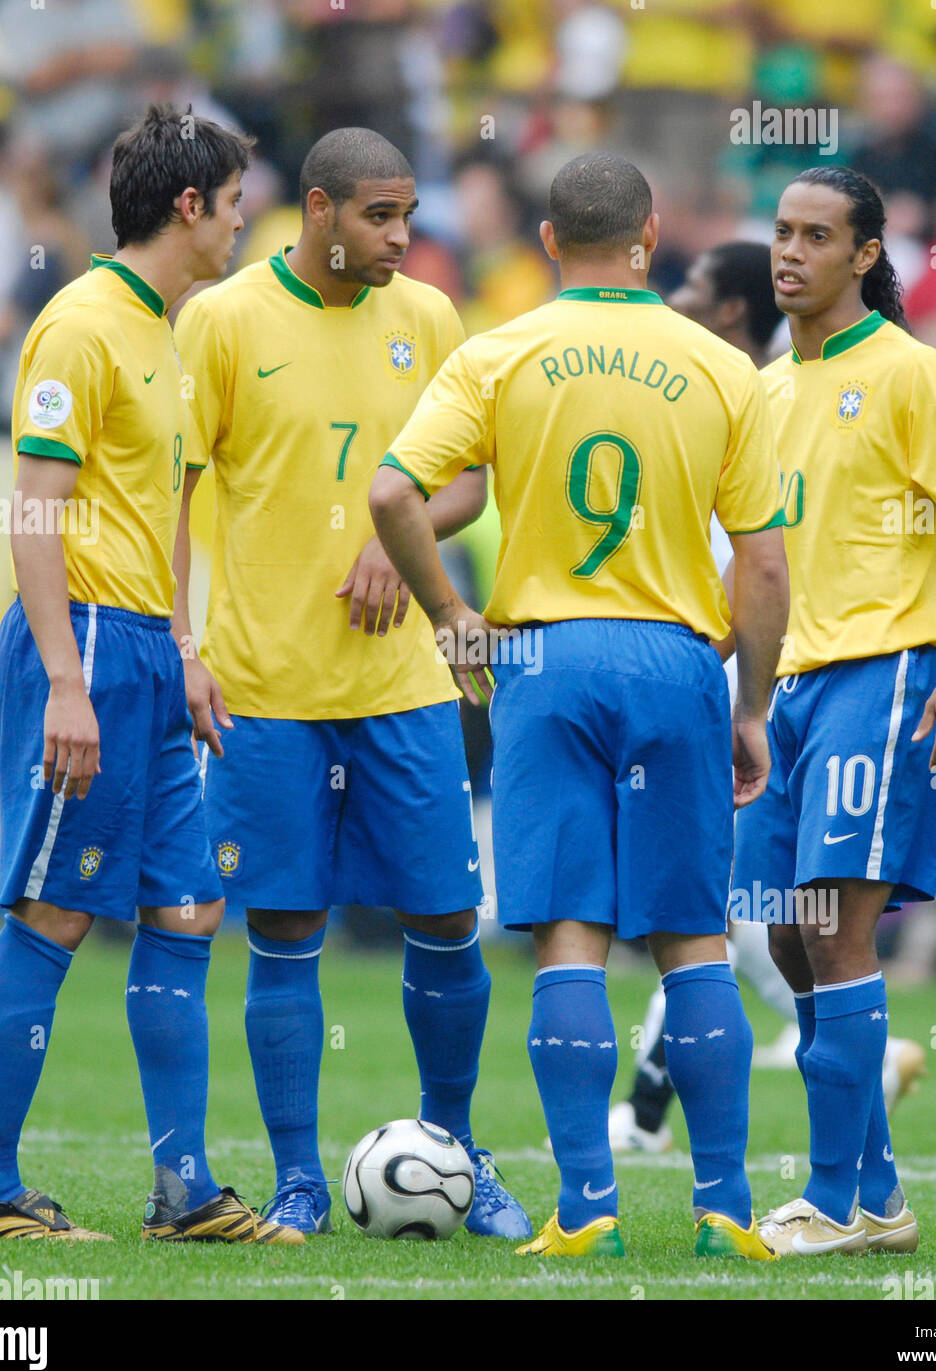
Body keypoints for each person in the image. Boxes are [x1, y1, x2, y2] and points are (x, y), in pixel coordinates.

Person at [371, 152, 790, 1260]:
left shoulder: (499, 350)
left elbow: (389, 492)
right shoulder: (720, 366)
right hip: (674, 660)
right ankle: (725, 1209)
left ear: (549, 242)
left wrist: (451, 617)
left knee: (572, 939)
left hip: (544, 662)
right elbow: (762, 568)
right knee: (694, 940)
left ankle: (587, 1208)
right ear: (652, 235)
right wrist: (749, 706)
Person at [0, 105, 302, 1245]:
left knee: (188, 904)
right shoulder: (80, 327)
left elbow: (172, 511)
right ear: (190, 206)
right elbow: (33, 516)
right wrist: (63, 677)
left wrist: (187, 648)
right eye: (238, 201)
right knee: (56, 908)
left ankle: (184, 1191)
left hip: (149, 647)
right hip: (88, 644)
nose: (246, 222)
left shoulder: (169, 330)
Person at [172, 127, 529, 1240]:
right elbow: (172, 493)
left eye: (410, 215)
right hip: (267, 687)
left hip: (406, 684)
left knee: (445, 915)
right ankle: (297, 1179)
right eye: (380, 216)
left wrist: (398, 536)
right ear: (318, 210)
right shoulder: (223, 320)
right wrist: (184, 646)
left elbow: (471, 478)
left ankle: (457, 1153)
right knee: (282, 923)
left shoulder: (427, 318)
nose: (402, 238)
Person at [733, 166, 936, 1256]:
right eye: (781, 232)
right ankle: (879, 1195)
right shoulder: (763, 387)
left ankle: (836, 1200)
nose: (789, 251)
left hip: (885, 670)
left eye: (815, 235)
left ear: (863, 255)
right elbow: (757, 553)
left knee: (837, 933)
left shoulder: (909, 372)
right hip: (789, 687)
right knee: (791, 938)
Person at [612, 243, 925, 1154]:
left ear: (736, 312)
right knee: (714, 907)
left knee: (712, 908)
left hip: (750, 678)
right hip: (729, 667)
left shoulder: (767, 400)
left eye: (696, 291)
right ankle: (647, 1110)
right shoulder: (729, 397)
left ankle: (661, 1109)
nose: (675, 301)